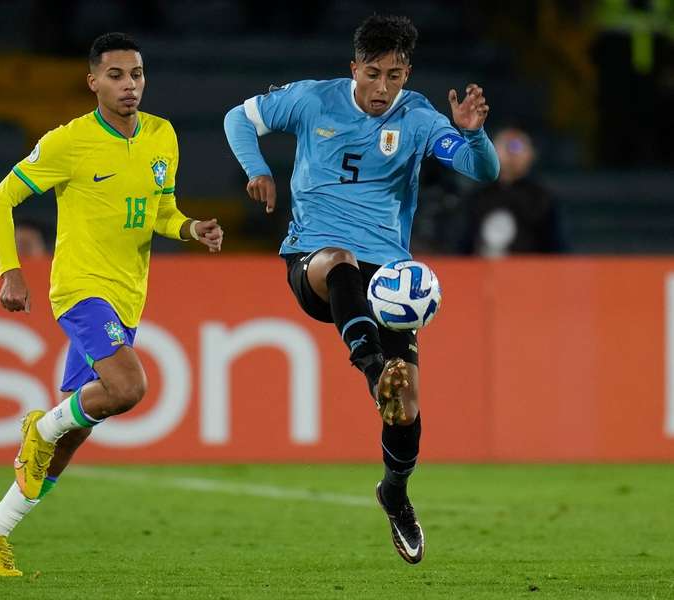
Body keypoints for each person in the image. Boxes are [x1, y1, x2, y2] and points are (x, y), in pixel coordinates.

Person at [223, 13, 499, 564]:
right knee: (339, 260)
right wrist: (258, 168)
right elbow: (239, 118)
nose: (381, 88)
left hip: (390, 276)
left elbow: (481, 170)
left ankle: (394, 494)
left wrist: (473, 132)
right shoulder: (311, 100)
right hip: (315, 260)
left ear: (407, 73)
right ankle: (374, 369)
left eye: (394, 76)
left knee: (407, 410)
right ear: (354, 67)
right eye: (372, 73)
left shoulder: (417, 117)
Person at [0, 32, 224, 577]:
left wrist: (189, 227)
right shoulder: (69, 142)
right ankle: (36, 430)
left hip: (128, 296)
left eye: (136, 74)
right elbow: (0, 198)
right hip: (82, 289)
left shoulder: (162, 135)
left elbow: (160, 212)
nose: (128, 85)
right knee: (129, 388)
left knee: (74, 433)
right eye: (115, 75)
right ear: (92, 82)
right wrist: (10, 270)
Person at [461, 127, 565, 256]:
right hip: (482, 272)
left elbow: (556, 249)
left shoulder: (542, 198)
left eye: (517, 146)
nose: (512, 153)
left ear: (532, 154)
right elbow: (462, 247)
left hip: (528, 272)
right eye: (505, 145)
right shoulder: (477, 196)